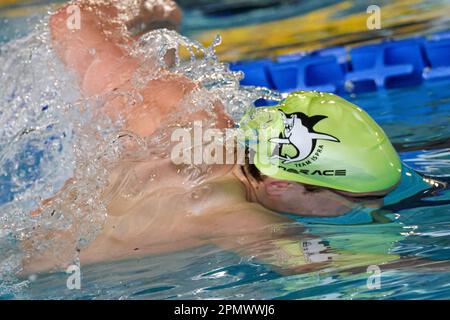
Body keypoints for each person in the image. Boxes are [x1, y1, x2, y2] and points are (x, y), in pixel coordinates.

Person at [21, 0, 435, 275]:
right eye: (360, 204)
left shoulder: (186, 112)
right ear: (280, 184)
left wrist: (158, 9)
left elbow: (72, 21)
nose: (373, 209)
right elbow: (329, 266)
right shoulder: (222, 213)